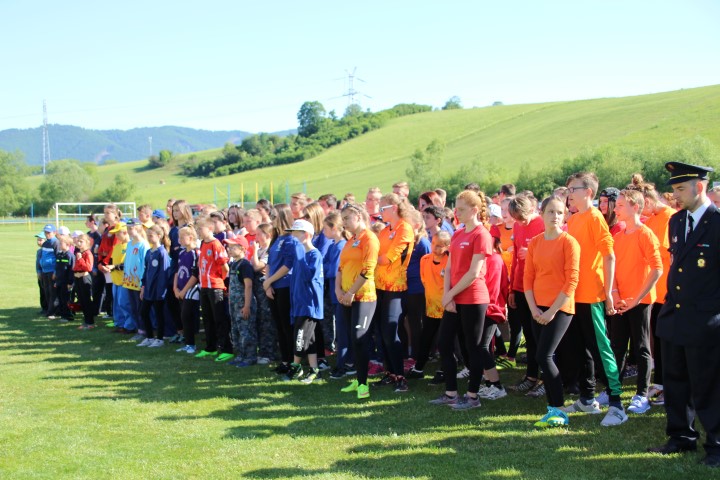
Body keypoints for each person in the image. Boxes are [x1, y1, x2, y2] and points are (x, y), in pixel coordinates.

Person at [648, 162, 720, 468]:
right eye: (674, 189)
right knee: (675, 382)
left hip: (705, 320)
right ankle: (680, 436)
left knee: (708, 386)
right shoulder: (677, 221)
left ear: (699, 187)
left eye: (680, 189)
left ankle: (716, 446)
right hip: (675, 316)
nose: (674, 195)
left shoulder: (717, 223)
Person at [560, 172, 627, 427]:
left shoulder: (595, 217)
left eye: (573, 189)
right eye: (568, 190)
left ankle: (617, 404)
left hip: (592, 296)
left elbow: (609, 255)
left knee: (601, 349)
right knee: (580, 350)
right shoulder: (575, 218)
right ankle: (587, 398)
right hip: (575, 295)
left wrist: (608, 293)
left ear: (588, 192)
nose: (569, 194)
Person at [431, 190, 494, 409]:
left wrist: (450, 294)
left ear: (474, 210)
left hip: (473, 298)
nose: (456, 212)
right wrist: (447, 294)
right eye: (456, 208)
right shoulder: (458, 234)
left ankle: (473, 396)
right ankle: (451, 393)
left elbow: (474, 272)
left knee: (472, 347)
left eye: (461, 209)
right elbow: (449, 267)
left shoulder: (481, 234)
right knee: (444, 343)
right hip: (454, 298)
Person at [523, 195, 580, 427]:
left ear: (564, 216)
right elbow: (528, 278)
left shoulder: (569, 242)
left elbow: (571, 281)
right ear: (542, 213)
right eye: (550, 212)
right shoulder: (535, 242)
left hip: (560, 308)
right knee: (544, 357)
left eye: (559, 212)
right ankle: (553, 409)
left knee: (543, 356)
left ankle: (558, 410)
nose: (555, 216)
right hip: (537, 308)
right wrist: (534, 308)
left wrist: (552, 311)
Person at [610, 189, 662, 415]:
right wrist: (615, 294)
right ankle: (614, 390)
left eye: (620, 205)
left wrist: (637, 298)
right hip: (621, 301)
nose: (615, 209)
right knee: (618, 347)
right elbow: (612, 268)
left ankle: (641, 394)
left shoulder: (645, 234)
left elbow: (657, 269)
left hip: (640, 302)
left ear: (635, 207)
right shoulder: (618, 237)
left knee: (641, 347)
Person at [630, 176, 674, 406]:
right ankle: (659, 383)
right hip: (654, 291)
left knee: (666, 341)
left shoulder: (669, 217)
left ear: (647, 201)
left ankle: (668, 386)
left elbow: (665, 253)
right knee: (656, 339)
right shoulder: (652, 219)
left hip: (668, 290)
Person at [337, 203, 380, 399]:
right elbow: (341, 267)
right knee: (353, 339)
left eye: (347, 218)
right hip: (347, 296)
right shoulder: (350, 240)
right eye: (342, 219)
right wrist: (339, 290)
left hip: (364, 297)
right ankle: (359, 379)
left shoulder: (369, 238)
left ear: (359, 216)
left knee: (359, 337)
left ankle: (363, 384)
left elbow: (368, 270)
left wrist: (351, 292)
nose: (344, 223)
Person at [373, 193, 414, 392]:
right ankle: (390, 373)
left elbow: (387, 258)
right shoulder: (385, 230)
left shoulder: (405, 229)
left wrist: (369, 257)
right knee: (382, 333)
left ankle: (401, 377)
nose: (380, 212)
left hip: (395, 288)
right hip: (379, 286)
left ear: (394, 208)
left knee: (391, 331)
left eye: (383, 208)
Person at [507, 194, 544, 394]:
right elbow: (515, 258)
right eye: (516, 219)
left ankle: (545, 378)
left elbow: (551, 253)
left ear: (531, 209)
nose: (520, 222)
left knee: (541, 336)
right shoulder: (517, 226)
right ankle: (531, 376)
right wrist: (513, 288)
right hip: (521, 287)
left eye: (522, 218)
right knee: (529, 335)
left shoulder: (542, 224)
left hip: (539, 288)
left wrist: (530, 252)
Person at [263, 204, 303, 374]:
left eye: (273, 216)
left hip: (285, 287)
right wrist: (267, 284)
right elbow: (269, 263)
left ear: (282, 217)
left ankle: (293, 362)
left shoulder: (290, 239)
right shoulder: (276, 238)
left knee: (287, 326)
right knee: (278, 326)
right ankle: (284, 360)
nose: (270, 219)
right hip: (272, 287)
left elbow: (288, 265)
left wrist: (269, 281)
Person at [284, 219, 325, 384]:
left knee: (300, 338)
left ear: (306, 235)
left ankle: (296, 366)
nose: (293, 238)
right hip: (299, 303)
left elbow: (310, 277)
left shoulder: (314, 255)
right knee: (309, 339)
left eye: (296, 234)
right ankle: (315, 370)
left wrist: (301, 255)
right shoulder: (299, 255)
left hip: (309, 305)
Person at [407, 231, 450, 379]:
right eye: (433, 244)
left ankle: (445, 368)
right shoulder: (425, 259)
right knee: (426, 338)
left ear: (447, 247)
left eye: (440, 246)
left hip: (447, 307)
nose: (435, 248)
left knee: (445, 340)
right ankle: (418, 368)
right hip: (431, 306)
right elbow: (424, 280)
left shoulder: (450, 260)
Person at [194, 216, 233, 361]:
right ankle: (211, 347)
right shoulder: (203, 244)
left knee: (220, 319)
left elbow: (225, 268)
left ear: (210, 228)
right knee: (208, 318)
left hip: (215, 287)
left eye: (200, 229)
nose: (198, 231)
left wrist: (217, 280)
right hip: (204, 286)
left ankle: (226, 349)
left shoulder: (216, 244)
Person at [322, 212, 352, 379]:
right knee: (341, 329)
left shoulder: (342, 246)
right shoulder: (333, 245)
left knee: (343, 330)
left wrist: (325, 269)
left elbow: (333, 270)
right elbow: (324, 263)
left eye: (326, 228)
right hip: (334, 294)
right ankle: (343, 362)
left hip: (340, 293)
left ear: (334, 228)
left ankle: (345, 363)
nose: (323, 231)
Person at [136, 225, 171, 348]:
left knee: (158, 314)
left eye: (151, 235)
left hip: (158, 291)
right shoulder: (148, 252)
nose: (149, 238)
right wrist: (143, 286)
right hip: (148, 289)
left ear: (159, 236)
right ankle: (149, 337)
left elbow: (164, 273)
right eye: (148, 235)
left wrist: (161, 291)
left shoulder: (162, 252)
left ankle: (160, 339)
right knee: (143, 312)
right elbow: (146, 271)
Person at [226, 236, 256, 366]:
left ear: (243, 249)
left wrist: (247, 306)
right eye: (229, 247)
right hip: (234, 304)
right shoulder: (233, 264)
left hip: (243, 304)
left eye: (233, 247)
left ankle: (250, 357)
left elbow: (248, 286)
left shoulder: (245, 265)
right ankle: (240, 355)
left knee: (246, 330)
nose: (229, 250)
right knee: (236, 330)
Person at [123, 219, 148, 338]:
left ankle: (144, 330)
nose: (128, 231)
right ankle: (138, 329)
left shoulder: (143, 245)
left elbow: (144, 264)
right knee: (133, 307)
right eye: (127, 228)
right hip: (129, 281)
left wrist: (143, 283)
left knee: (140, 308)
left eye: (131, 228)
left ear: (138, 228)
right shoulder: (129, 244)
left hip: (139, 282)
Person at [107, 222, 133, 332]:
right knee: (117, 304)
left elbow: (128, 264)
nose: (116, 236)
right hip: (116, 280)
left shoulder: (131, 246)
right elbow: (112, 261)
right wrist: (109, 266)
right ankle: (120, 324)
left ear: (125, 232)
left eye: (118, 234)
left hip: (125, 280)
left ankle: (129, 326)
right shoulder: (117, 247)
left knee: (125, 303)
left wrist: (114, 267)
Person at [73, 234, 96, 329]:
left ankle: (90, 322)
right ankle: (86, 321)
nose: (79, 243)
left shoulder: (88, 253)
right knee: (81, 300)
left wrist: (80, 259)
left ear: (87, 242)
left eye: (81, 241)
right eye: (78, 241)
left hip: (84, 278)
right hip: (77, 278)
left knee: (86, 301)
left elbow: (89, 267)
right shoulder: (79, 253)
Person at [53, 235, 76, 323]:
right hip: (59, 281)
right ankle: (62, 315)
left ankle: (68, 316)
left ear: (67, 244)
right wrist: (56, 281)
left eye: (61, 243)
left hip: (66, 283)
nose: (59, 244)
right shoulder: (59, 255)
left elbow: (71, 270)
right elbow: (58, 268)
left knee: (66, 299)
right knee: (60, 299)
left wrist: (70, 283)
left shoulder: (70, 256)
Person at [39, 224, 59, 318]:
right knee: (46, 291)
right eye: (45, 232)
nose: (47, 234)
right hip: (45, 271)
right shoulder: (45, 243)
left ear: (54, 232)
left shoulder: (56, 243)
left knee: (53, 292)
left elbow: (58, 258)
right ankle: (49, 310)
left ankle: (53, 312)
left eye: (49, 232)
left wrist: (55, 271)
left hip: (52, 271)